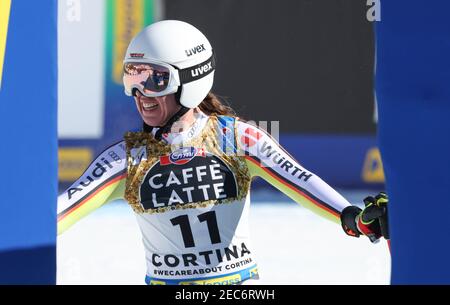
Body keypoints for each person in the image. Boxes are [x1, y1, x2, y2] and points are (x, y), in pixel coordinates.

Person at [57, 20, 388, 285]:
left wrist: (355, 219)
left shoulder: (235, 139)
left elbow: (301, 181)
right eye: (133, 77)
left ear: (191, 80)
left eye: (154, 80)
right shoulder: (129, 160)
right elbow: (57, 215)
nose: (140, 93)